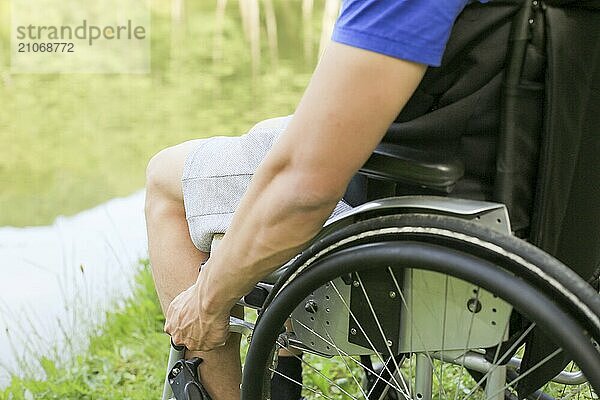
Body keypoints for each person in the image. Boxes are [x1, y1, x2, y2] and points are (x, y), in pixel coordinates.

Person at [145, 1, 488, 399]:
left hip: (401, 202)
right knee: (271, 138)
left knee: (166, 178)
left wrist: (206, 301)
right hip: (507, 206)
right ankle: (284, 359)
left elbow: (307, 189)